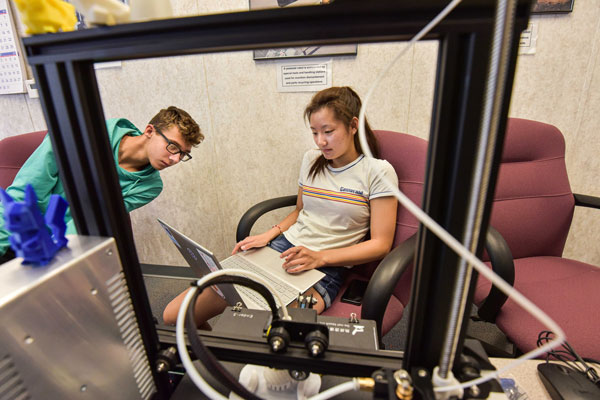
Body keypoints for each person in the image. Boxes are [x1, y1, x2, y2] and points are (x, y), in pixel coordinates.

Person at [162, 86, 398, 327]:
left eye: (328, 131)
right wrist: (269, 234)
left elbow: (381, 245)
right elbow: (299, 211)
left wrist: (320, 257)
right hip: (281, 249)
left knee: (260, 331)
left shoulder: (377, 171)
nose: (321, 141)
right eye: (315, 132)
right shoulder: (312, 159)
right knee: (175, 315)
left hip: (325, 268)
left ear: (353, 125)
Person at [0, 106, 204, 264]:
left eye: (183, 154)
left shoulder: (149, 187)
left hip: (62, 239)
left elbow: (92, 218)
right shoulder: (87, 133)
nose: (175, 159)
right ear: (149, 131)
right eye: (173, 147)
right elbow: (27, 188)